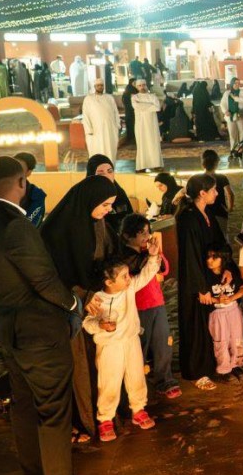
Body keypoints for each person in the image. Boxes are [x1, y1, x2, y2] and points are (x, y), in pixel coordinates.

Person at [0, 157, 83, 475]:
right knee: (53, 409)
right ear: (21, 182)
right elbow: (45, 280)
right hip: (38, 332)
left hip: (7, 330)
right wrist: (72, 304)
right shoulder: (17, 225)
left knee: (23, 406)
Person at [42, 174, 121, 440]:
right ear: (90, 200)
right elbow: (55, 274)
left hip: (93, 302)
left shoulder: (98, 224)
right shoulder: (58, 229)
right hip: (67, 308)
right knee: (76, 366)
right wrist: (80, 298)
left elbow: (107, 259)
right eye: (105, 204)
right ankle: (78, 421)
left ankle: (102, 415)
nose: (108, 210)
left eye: (111, 205)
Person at [83, 246, 162, 441]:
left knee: (136, 376)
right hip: (109, 347)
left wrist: (153, 256)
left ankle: (138, 409)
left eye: (128, 275)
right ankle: (105, 419)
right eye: (124, 276)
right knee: (109, 382)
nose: (129, 279)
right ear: (109, 282)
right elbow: (87, 322)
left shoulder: (129, 289)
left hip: (131, 340)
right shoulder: (96, 299)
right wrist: (100, 325)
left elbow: (146, 274)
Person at [175, 174, 227, 391]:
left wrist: (226, 268)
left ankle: (212, 364)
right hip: (195, 282)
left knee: (211, 324)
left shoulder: (207, 213)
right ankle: (197, 371)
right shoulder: (188, 218)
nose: (217, 193)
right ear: (202, 193)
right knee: (196, 326)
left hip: (209, 276)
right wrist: (201, 288)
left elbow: (219, 243)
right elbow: (190, 255)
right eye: (213, 190)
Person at [119, 215, 179, 400]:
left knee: (163, 342)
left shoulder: (148, 252)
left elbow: (164, 268)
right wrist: (151, 257)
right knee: (140, 346)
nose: (146, 236)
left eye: (147, 232)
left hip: (156, 302)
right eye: (141, 233)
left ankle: (164, 379)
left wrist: (155, 254)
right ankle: (136, 384)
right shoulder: (125, 258)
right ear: (127, 236)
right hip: (138, 306)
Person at [203, 243, 243, 377]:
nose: (210, 260)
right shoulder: (206, 276)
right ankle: (224, 369)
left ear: (223, 258)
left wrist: (232, 298)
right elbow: (203, 297)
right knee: (221, 341)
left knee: (237, 338)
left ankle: (236, 365)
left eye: (214, 257)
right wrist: (217, 300)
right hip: (217, 313)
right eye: (208, 257)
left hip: (233, 310)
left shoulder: (230, 273)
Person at [81, 80, 120, 163]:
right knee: (97, 149)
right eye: (98, 85)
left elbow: (115, 112)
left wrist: (117, 125)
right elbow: (86, 115)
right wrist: (88, 129)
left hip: (109, 129)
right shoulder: (88, 99)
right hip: (95, 130)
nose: (100, 87)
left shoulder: (109, 98)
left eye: (101, 85)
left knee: (109, 148)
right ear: (94, 87)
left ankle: (110, 165)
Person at [131, 79, 163, 171]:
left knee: (154, 143)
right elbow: (136, 106)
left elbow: (157, 107)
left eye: (143, 85)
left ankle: (156, 164)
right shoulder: (134, 97)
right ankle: (142, 166)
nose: (142, 87)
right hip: (140, 125)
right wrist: (150, 105)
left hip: (152, 124)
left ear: (146, 85)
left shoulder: (152, 96)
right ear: (137, 87)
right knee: (142, 144)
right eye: (140, 85)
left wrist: (142, 106)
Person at [11, 152, 46, 227]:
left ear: (29, 172)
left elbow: (30, 225)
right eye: (13, 166)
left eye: (20, 168)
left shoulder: (36, 195)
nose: (14, 170)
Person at [202, 148, 232, 225]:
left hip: (203, 212)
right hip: (220, 211)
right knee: (221, 231)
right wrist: (229, 208)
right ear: (217, 162)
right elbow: (229, 194)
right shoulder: (222, 178)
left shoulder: (197, 178)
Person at [225, 78, 243, 153]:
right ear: (232, 84)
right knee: (232, 134)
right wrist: (225, 111)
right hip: (231, 116)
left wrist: (235, 98)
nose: (237, 84)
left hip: (241, 115)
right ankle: (233, 150)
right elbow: (223, 103)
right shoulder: (227, 93)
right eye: (235, 83)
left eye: (238, 83)